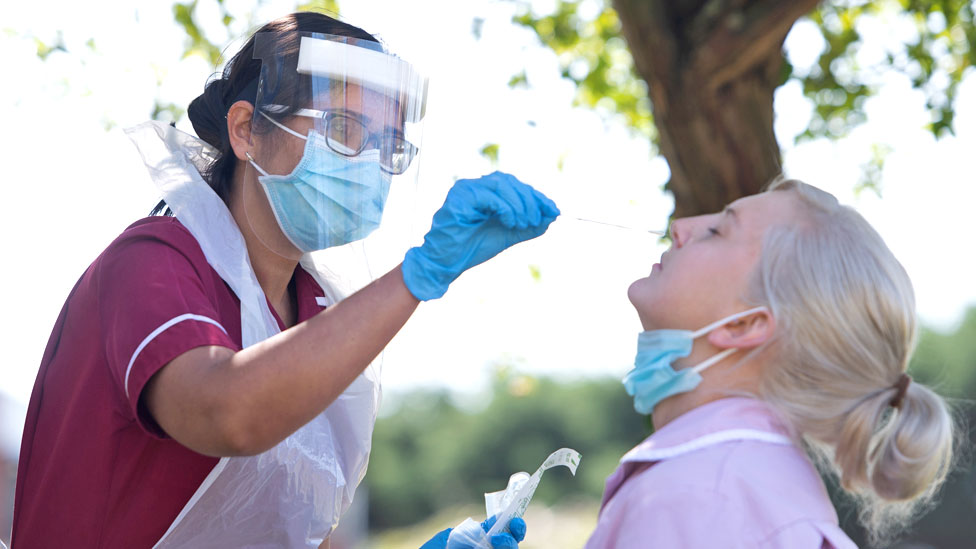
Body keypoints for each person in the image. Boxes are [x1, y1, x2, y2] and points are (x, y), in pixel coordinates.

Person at [12, 12, 555, 548]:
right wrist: (421, 273)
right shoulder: (153, 263)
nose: (367, 162)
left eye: (387, 144)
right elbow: (229, 414)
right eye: (343, 129)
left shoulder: (314, 309)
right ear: (247, 130)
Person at [585, 178, 955, 548]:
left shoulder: (698, 497)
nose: (680, 227)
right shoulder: (751, 487)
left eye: (716, 231)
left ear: (745, 325)